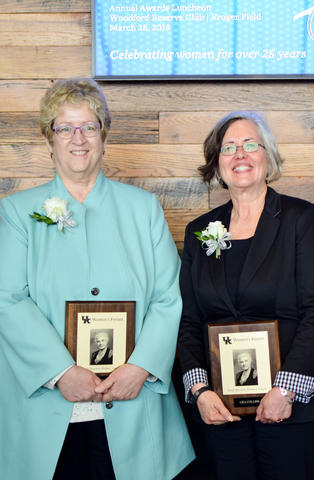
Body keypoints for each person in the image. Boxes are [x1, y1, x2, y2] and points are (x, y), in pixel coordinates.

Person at [0, 78, 194, 480]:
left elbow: (167, 297)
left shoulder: (143, 209)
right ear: (48, 139)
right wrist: (60, 372)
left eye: (89, 126)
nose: (78, 138)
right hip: (48, 408)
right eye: (65, 127)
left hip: (133, 403)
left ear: (104, 137)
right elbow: (9, 299)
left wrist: (141, 366)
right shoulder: (18, 213)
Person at [177, 111, 314, 480]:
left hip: (288, 407)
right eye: (228, 148)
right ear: (217, 164)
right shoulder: (200, 231)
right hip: (221, 410)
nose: (240, 155)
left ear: (268, 156)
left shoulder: (299, 218)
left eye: (250, 145)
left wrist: (285, 390)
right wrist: (200, 392)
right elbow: (187, 320)